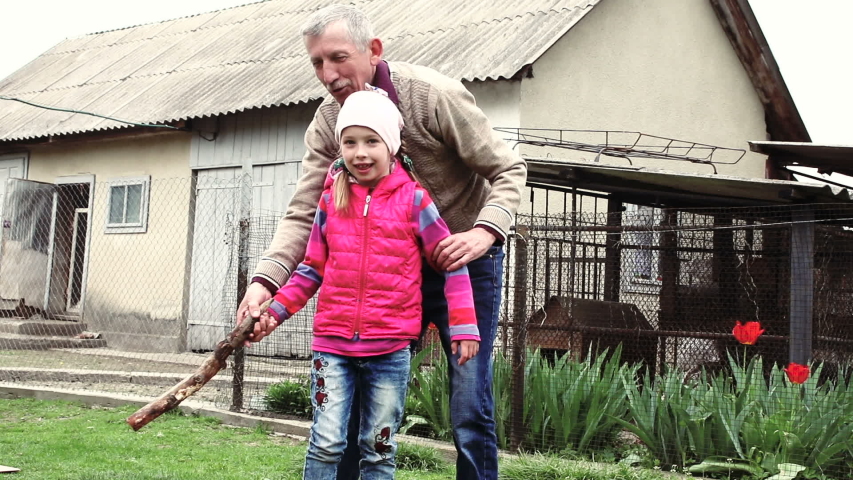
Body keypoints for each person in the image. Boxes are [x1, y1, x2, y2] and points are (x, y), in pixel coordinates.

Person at [241, 4, 527, 479]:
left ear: (374, 50)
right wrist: (265, 283)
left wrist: (484, 231)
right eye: (316, 63)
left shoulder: (432, 96)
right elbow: (304, 211)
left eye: (337, 58)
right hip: (388, 278)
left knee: (468, 402)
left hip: (463, 262)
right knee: (357, 400)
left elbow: (509, 168)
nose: (327, 74)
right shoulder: (328, 124)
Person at [261, 89, 481, 478]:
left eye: (371, 141)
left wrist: (464, 324)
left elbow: (450, 264)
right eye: (350, 142)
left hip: (390, 348)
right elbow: (311, 269)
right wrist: (273, 312)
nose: (360, 152)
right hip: (333, 345)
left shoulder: (415, 201)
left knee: (378, 448)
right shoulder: (331, 201)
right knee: (326, 442)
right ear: (340, 147)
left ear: (391, 147)